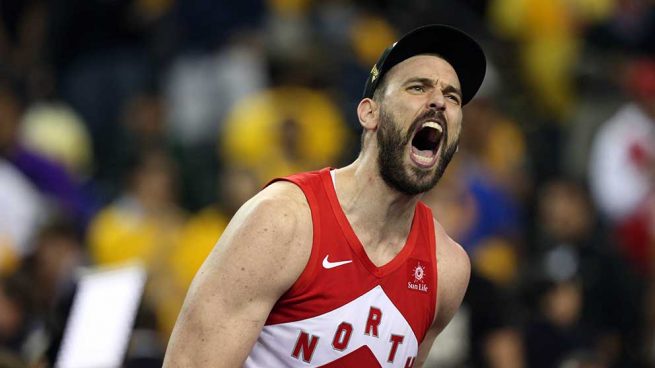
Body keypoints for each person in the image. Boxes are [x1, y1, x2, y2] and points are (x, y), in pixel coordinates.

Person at [163, 24, 487, 367]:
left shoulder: (446, 269)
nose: (438, 100)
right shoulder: (282, 221)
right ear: (369, 113)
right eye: (417, 87)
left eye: (452, 96)